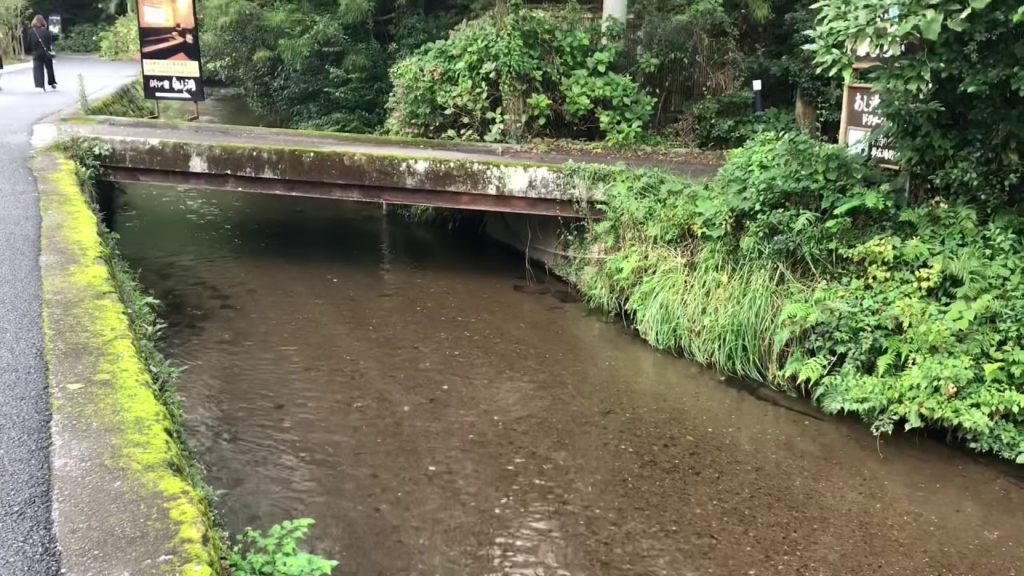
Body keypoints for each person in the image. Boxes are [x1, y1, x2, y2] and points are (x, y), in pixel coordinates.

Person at [28, 15, 56, 92]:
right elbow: (49, 42)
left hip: (36, 53)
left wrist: (31, 51)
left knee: (38, 69)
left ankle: (41, 85)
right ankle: (52, 82)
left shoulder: (32, 32)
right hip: (46, 52)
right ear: (43, 22)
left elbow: (29, 43)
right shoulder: (46, 31)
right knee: (49, 68)